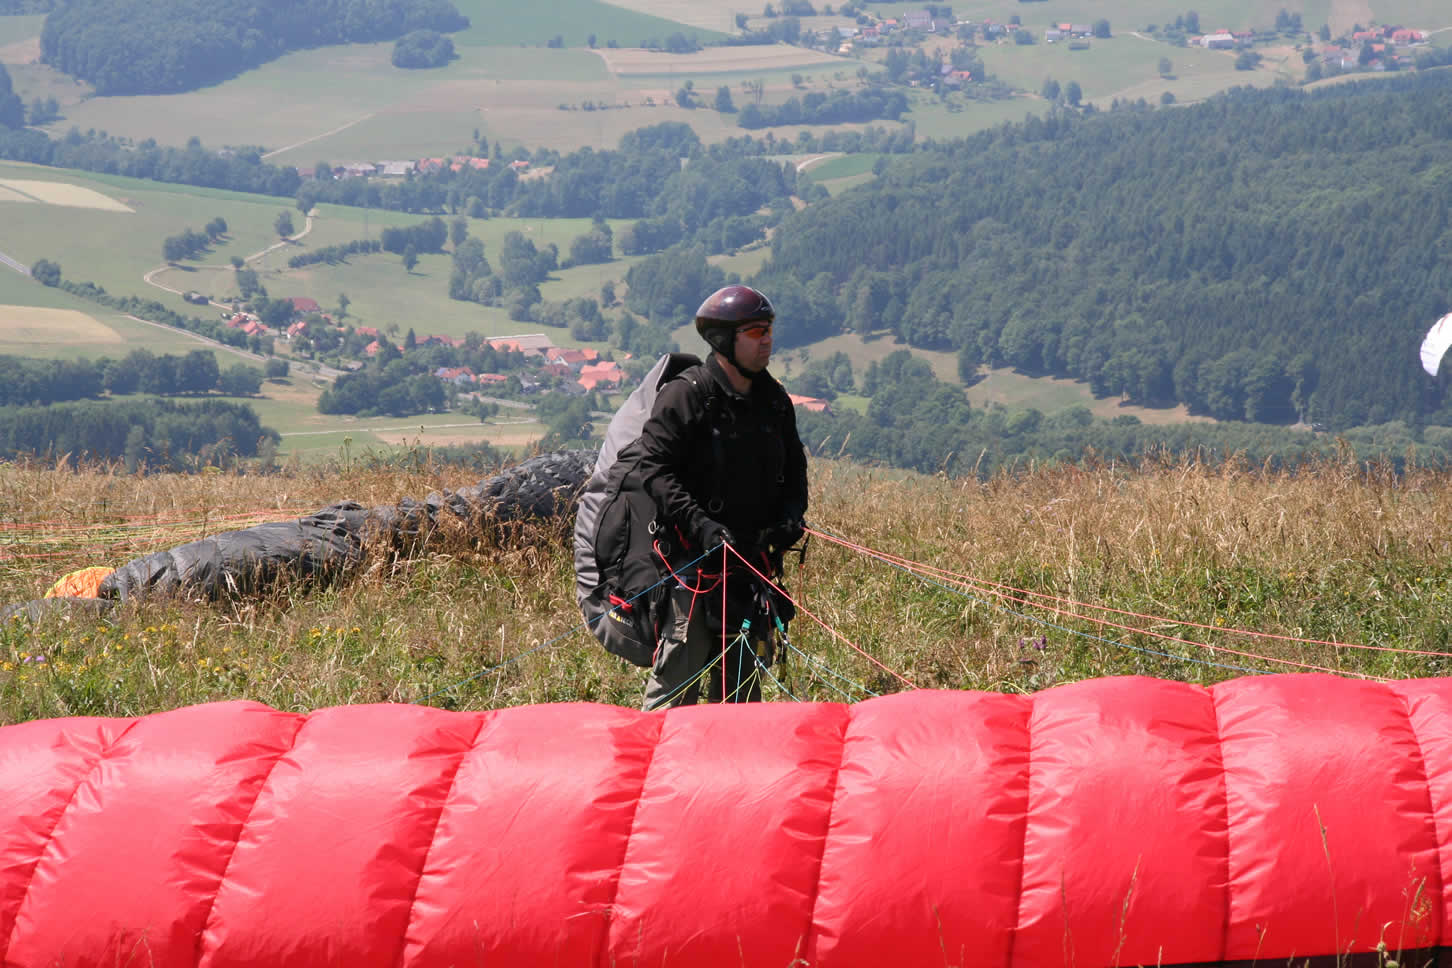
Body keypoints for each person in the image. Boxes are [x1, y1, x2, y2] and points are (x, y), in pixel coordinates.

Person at [633, 284, 809, 710]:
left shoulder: (774, 401)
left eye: (769, 330)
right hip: (692, 571)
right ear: (723, 339)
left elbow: (795, 472)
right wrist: (702, 526)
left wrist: (790, 518)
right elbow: (652, 469)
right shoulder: (686, 395)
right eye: (755, 332)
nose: (767, 340)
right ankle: (657, 755)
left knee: (741, 699)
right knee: (675, 695)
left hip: (750, 570)